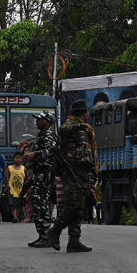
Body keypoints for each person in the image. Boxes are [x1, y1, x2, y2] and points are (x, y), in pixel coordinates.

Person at [48, 99, 97, 253]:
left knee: (80, 206)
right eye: (86, 112)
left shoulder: (85, 130)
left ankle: (74, 239)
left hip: (82, 170)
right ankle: (55, 230)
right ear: (84, 113)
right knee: (74, 205)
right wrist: (78, 125)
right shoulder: (71, 125)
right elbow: (63, 129)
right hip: (71, 169)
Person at [23, 111, 57, 247]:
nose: (37, 122)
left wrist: (33, 154)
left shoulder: (49, 136)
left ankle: (46, 236)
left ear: (48, 122)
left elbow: (49, 151)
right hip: (38, 173)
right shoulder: (41, 136)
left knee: (42, 205)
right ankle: (42, 235)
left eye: (40, 119)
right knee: (37, 205)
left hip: (45, 174)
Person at [7, 153, 27, 222]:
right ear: (13, 159)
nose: (17, 159)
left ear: (21, 159)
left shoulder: (23, 168)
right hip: (12, 187)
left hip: (21, 188)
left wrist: (27, 186)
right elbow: (7, 177)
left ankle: (18, 216)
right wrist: (7, 184)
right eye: (16, 158)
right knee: (13, 203)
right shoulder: (10, 168)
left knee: (21, 203)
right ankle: (15, 217)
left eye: (19, 158)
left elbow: (27, 178)